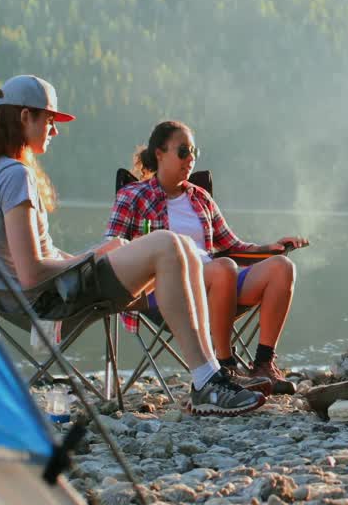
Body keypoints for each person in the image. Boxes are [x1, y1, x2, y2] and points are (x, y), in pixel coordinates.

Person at [0, 75, 266, 416]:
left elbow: (27, 262)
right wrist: (91, 256)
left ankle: (211, 376)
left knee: (184, 250)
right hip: (47, 299)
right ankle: (207, 381)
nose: (54, 130)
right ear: (25, 117)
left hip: (18, 293)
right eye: (50, 120)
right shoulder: (14, 175)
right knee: (167, 245)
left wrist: (93, 254)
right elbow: (31, 274)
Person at [106, 120, 307, 395]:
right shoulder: (133, 196)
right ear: (159, 153)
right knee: (223, 267)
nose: (190, 159)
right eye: (183, 151)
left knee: (282, 267)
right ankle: (224, 367)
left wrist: (271, 248)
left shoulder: (200, 198)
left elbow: (232, 246)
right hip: (163, 292)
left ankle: (263, 365)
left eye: (194, 152)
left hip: (216, 284)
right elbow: (112, 249)